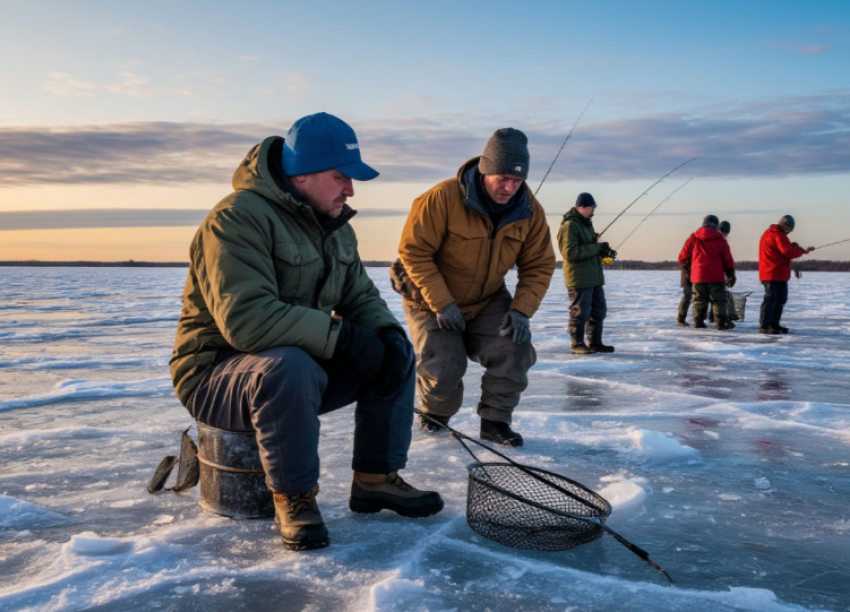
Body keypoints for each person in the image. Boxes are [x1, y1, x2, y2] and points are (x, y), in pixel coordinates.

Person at [170, 112, 443, 552]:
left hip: (293, 369)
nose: (350, 190)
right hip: (215, 377)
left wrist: (385, 334)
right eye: (341, 177)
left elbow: (360, 297)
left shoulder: (335, 228)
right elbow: (247, 320)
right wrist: (342, 338)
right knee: (289, 365)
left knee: (395, 351)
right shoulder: (236, 218)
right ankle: (294, 497)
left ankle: (375, 479)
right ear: (303, 174)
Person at [393, 128, 556, 447]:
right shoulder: (442, 197)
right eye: (503, 178)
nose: (510, 187)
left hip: (486, 298)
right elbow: (414, 251)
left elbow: (539, 264)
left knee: (515, 348)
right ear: (485, 170)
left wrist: (521, 310)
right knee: (445, 364)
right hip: (428, 297)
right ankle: (435, 416)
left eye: (518, 180)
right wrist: (442, 303)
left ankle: (495, 422)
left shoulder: (530, 211)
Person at [557, 193, 616, 354]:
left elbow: (589, 249)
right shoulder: (570, 226)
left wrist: (604, 251)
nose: (593, 211)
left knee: (599, 312)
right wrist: (596, 247)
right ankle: (577, 345)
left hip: (594, 277)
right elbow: (570, 252)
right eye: (591, 208)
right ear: (581, 207)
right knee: (580, 312)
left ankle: (595, 342)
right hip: (579, 278)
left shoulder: (586, 225)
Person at [677, 215, 736, 330]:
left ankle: (698, 322)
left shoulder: (693, 238)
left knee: (699, 300)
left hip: (698, 276)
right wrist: (731, 273)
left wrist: (688, 269)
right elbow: (727, 259)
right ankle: (721, 323)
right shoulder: (720, 239)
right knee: (719, 300)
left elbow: (682, 258)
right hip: (716, 277)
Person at [758, 215, 814, 334]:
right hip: (772, 272)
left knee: (780, 299)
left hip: (776, 273)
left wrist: (797, 248)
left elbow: (781, 249)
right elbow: (787, 252)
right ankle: (765, 326)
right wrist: (800, 250)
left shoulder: (769, 234)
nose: (789, 232)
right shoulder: (778, 235)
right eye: (789, 229)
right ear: (785, 225)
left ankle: (774, 324)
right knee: (771, 299)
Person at [708, 220, 736, 326]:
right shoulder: (718, 240)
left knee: (716, 296)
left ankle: (713, 316)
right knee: (718, 296)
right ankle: (716, 318)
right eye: (724, 232)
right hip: (714, 273)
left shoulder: (718, 239)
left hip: (717, 272)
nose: (725, 234)